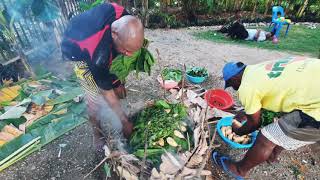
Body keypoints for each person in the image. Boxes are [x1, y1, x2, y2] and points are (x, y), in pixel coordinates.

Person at [212, 56, 320, 179]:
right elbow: (272, 92)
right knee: (283, 128)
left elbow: (254, 123)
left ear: (235, 78)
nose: (234, 88)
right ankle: (272, 155)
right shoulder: (256, 69)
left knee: (265, 138)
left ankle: (239, 170)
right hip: (314, 80)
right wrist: (249, 111)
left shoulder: (246, 87)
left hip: (317, 112)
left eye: (231, 84)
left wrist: (237, 131)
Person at [61, 3, 144, 151]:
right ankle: (97, 133)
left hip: (101, 42)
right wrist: (124, 122)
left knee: (115, 72)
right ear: (114, 34)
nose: (130, 55)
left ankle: (117, 84)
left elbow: (116, 58)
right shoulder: (97, 53)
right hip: (77, 50)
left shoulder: (122, 16)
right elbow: (105, 90)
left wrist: (117, 81)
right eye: (127, 50)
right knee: (93, 97)